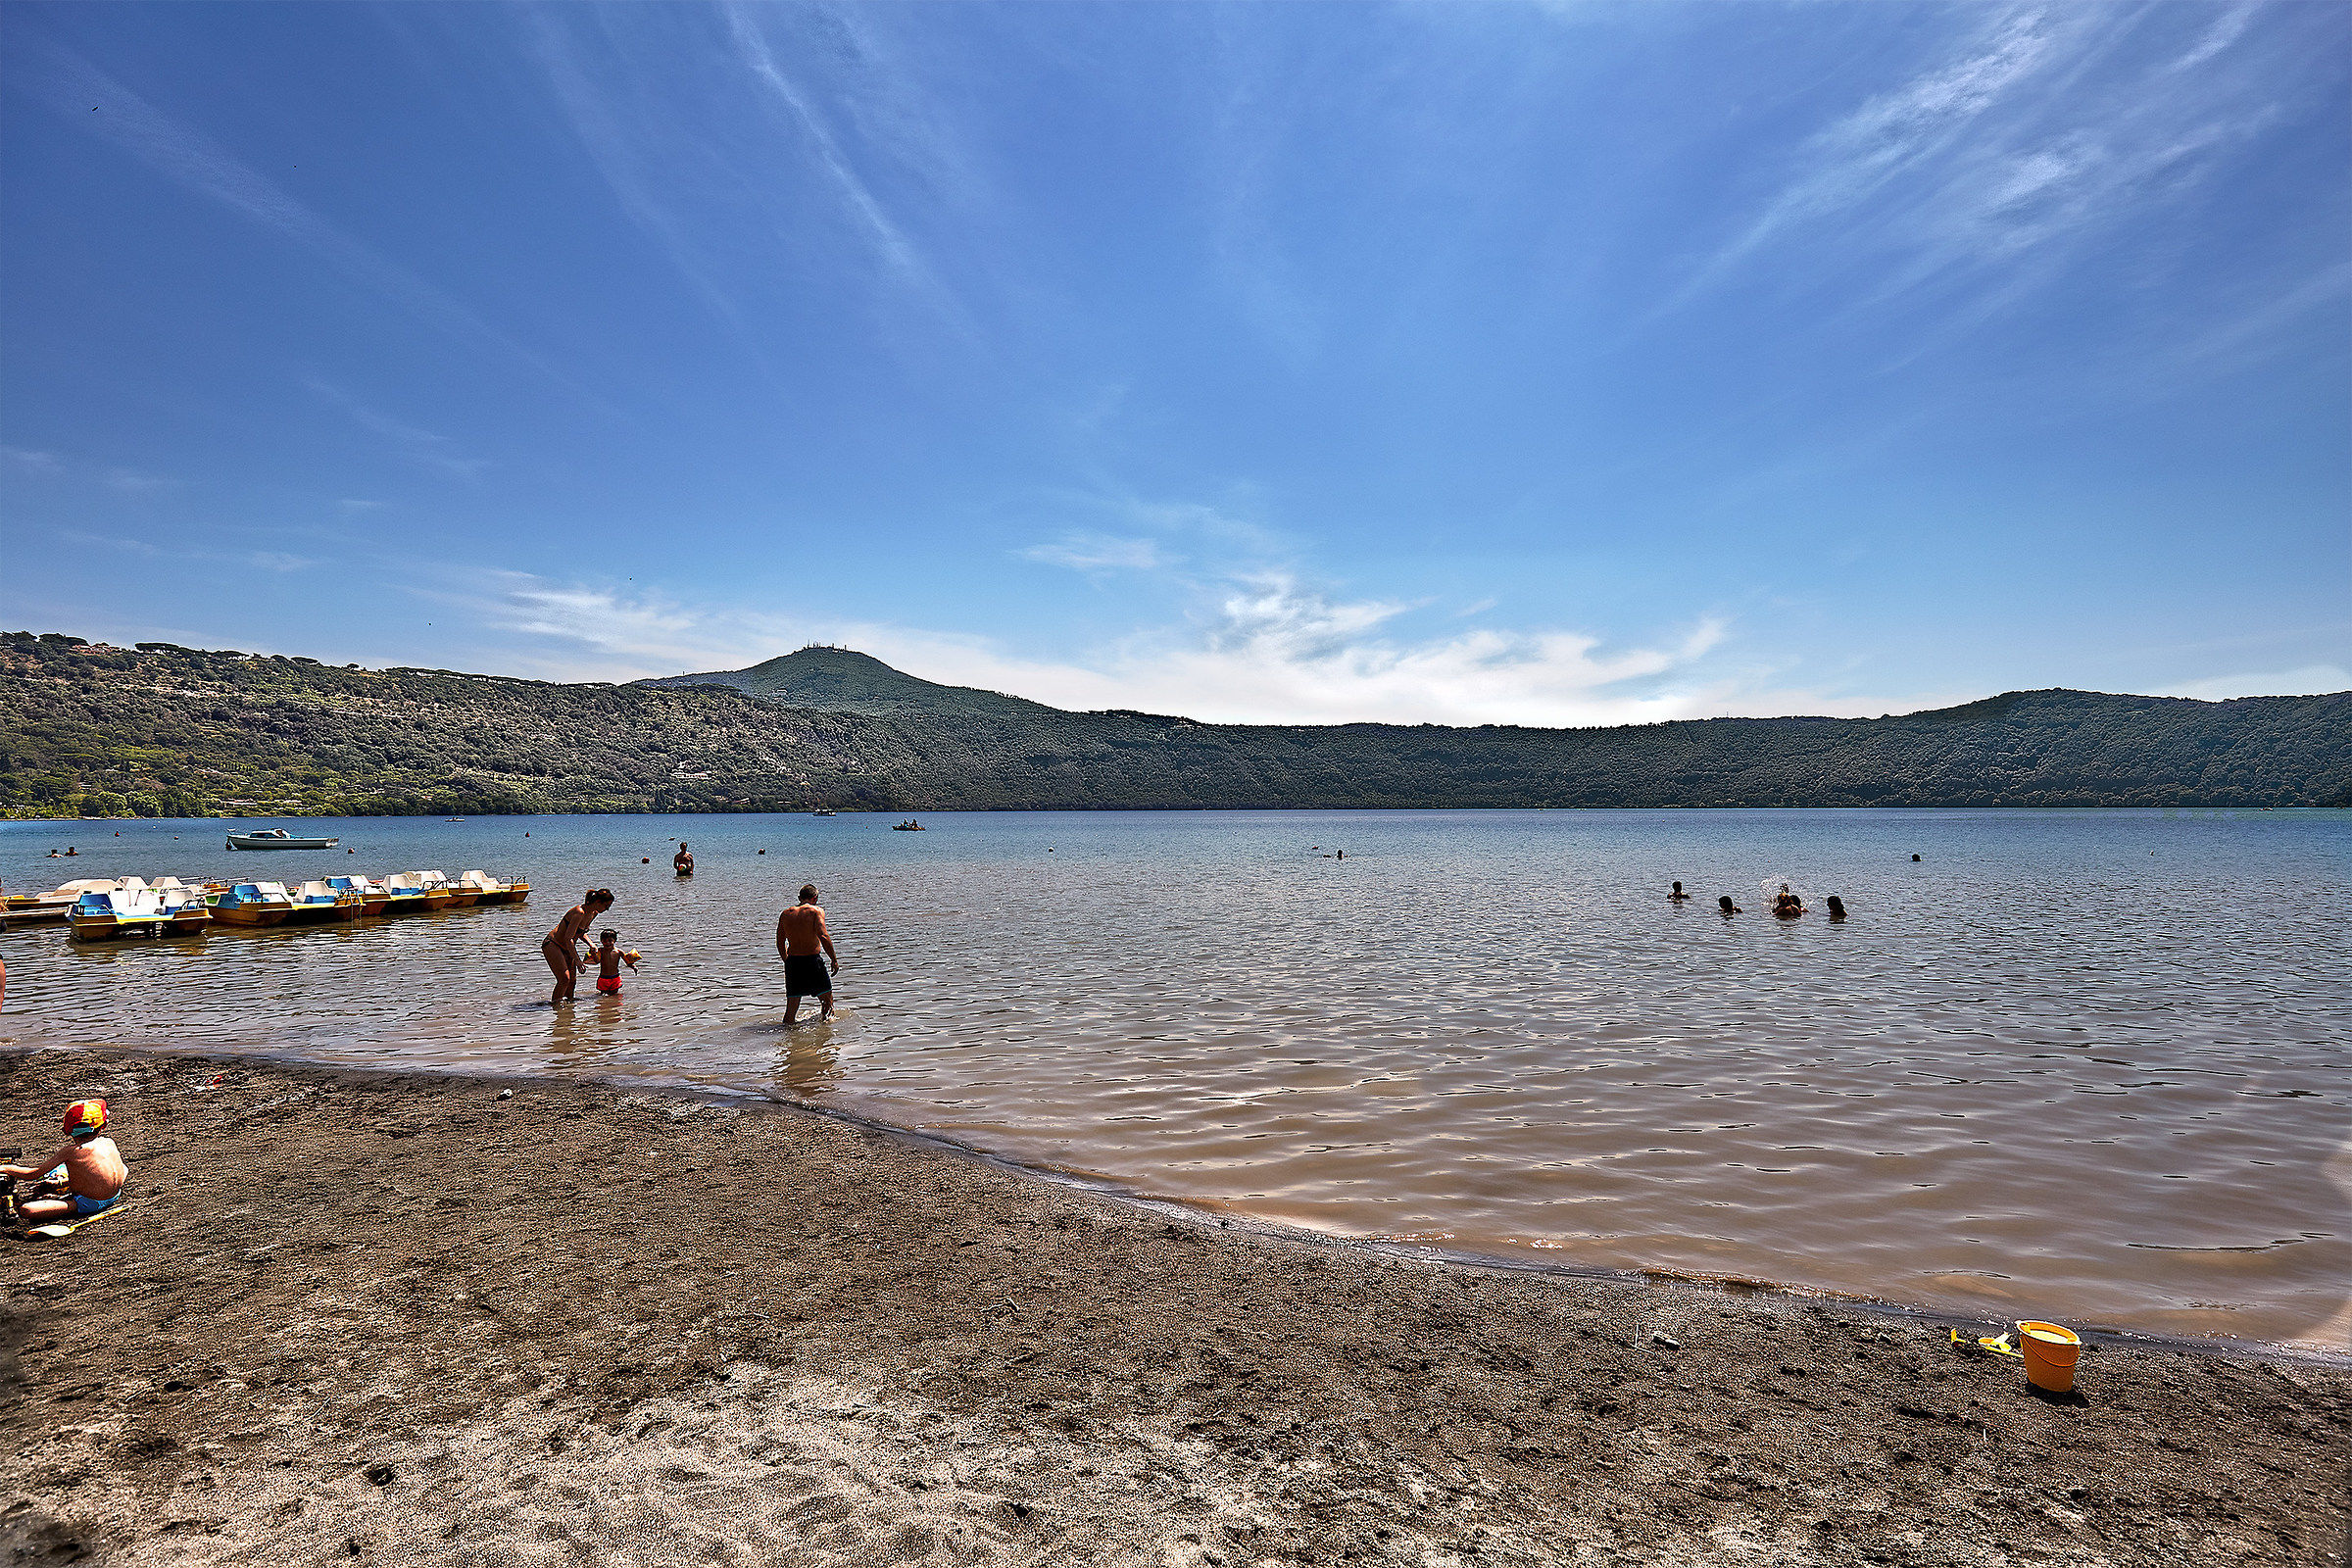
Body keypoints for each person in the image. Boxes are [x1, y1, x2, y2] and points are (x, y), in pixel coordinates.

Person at [3, 1101, 127, 1227]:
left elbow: (33, 1174)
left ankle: (69, 1202)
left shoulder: (71, 1152)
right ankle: (63, 1184)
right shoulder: (109, 1141)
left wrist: (6, 1168)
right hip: (114, 1194)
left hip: (88, 1203)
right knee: (115, 1166)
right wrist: (60, 1183)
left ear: (66, 1130)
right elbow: (99, 1173)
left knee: (27, 1209)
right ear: (104, 1125)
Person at [776, 884, 840, 1025]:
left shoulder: (786, 914)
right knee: (827, 1002)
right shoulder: (816, 911)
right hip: (812, 961)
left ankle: (788, 1039)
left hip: (793, 962)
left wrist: (787, 962)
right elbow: (823, 936)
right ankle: (827, 1037)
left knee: (791, 1009)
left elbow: (780, 943)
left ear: (799, 898)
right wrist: (834, 959)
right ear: (815, 898)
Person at [541, 888, 614, 1005]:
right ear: (598, 902)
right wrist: (578, 960)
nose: (607, 909)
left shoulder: (593, 913)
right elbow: (568, 938)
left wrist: (591, 944)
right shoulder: (579, 912)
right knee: (564, 979)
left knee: (572, 981)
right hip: (553, 944)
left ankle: (568, 1012)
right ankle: (556, 1008)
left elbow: (580, 932)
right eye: (606, 906)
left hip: (567, 947)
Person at [589, 930, 640, 996]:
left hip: (615, 978)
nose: (607, 943)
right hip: (603, 978)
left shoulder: (619, 952)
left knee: (614, 995)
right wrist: (593, 954)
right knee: (603, 996)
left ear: (615, 940)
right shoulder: (600, 951)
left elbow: (627, 962)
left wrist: (633, 967)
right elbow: (597, 961)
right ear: (601, 941)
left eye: (610, 941)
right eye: (604, 941)